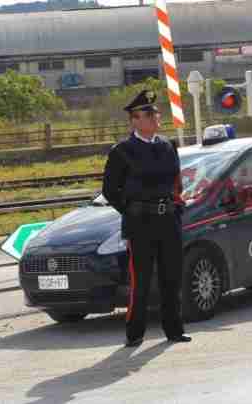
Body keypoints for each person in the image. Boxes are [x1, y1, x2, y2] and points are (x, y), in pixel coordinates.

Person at [102, 89, 191, 347]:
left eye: (155, 113)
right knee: (140, 280)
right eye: (149, 114)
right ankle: (135, 333)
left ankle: (174, 329)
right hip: (140, 223)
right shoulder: (122, 151)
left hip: (168, 220)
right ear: (135, 120)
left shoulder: (167, 146)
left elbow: (176, 182)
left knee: (171, 278)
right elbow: (110, 190)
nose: (155, 117)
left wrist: (176, 204)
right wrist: (131, 210)